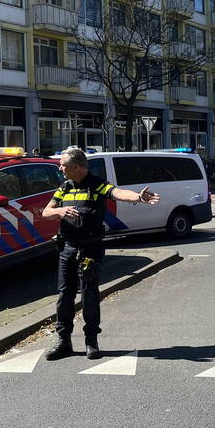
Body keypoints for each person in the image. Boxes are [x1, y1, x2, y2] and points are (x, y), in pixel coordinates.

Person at [42, 147, 160, 361]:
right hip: (67, 248)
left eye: (63, 165)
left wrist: (138, 197)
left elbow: (117, 193)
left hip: (90, 248)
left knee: (89, 294)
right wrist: (59, 211)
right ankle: (63, 342)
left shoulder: (96, 184)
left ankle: (91, 342)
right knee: (64, 296)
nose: (60, 168)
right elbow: (46, 211)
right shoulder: (64, 187)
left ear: (76, 167)